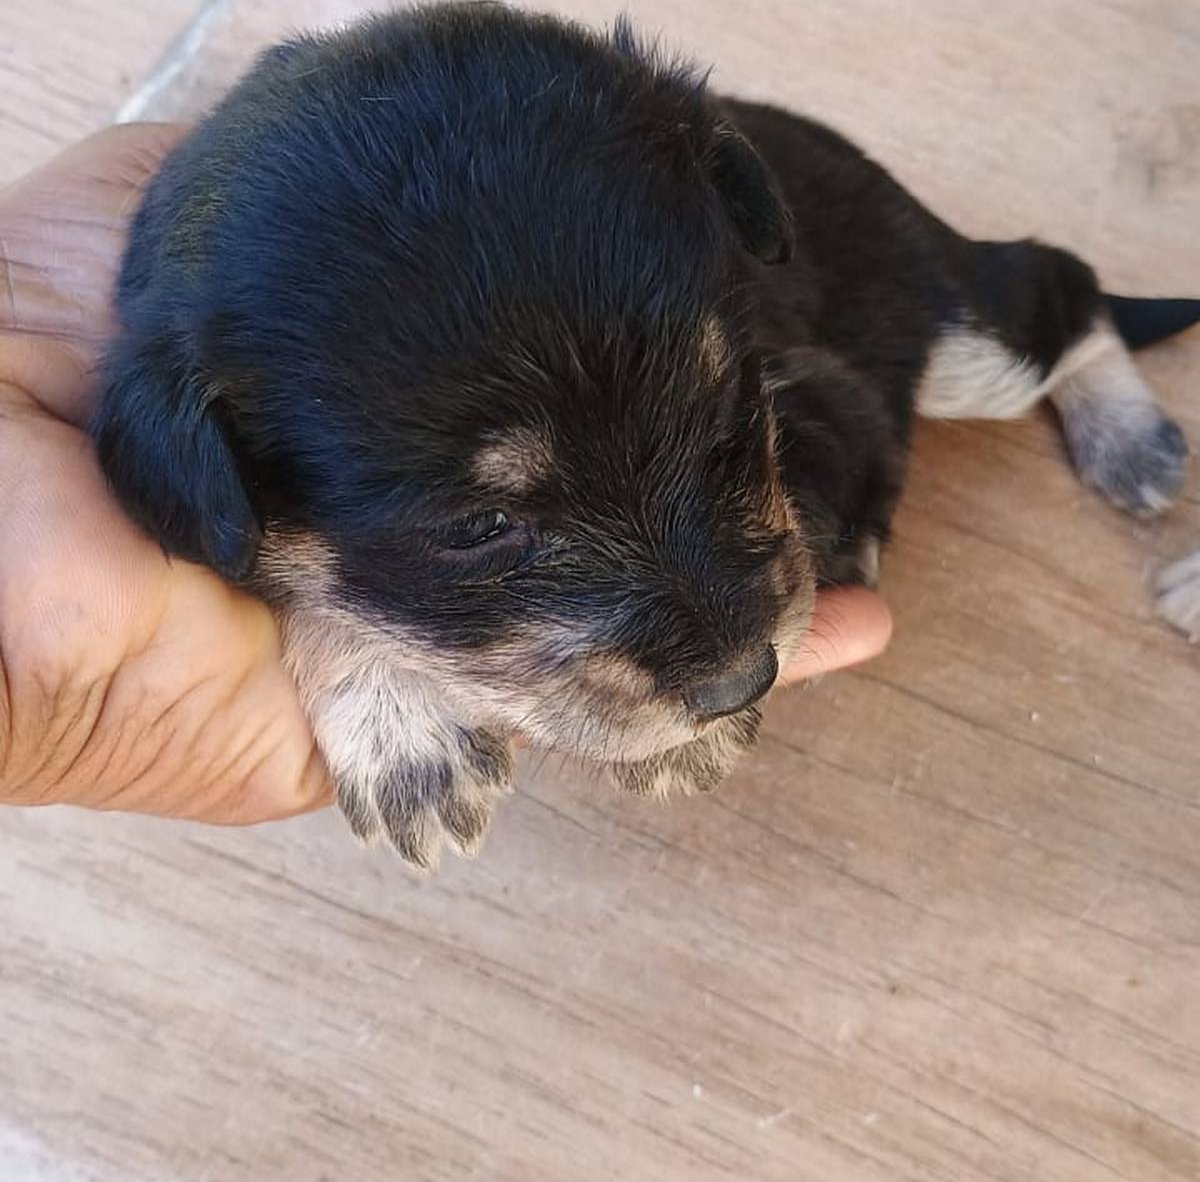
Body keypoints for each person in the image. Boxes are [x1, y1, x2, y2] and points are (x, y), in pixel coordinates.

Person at [0, 127, 893, 826]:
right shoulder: (224, 381)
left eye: (715, 421)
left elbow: (824, 409)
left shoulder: (667, 186)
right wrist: (336, 641)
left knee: (952, 358)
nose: (731, 657)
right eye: (481, 526)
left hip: (867, 279)